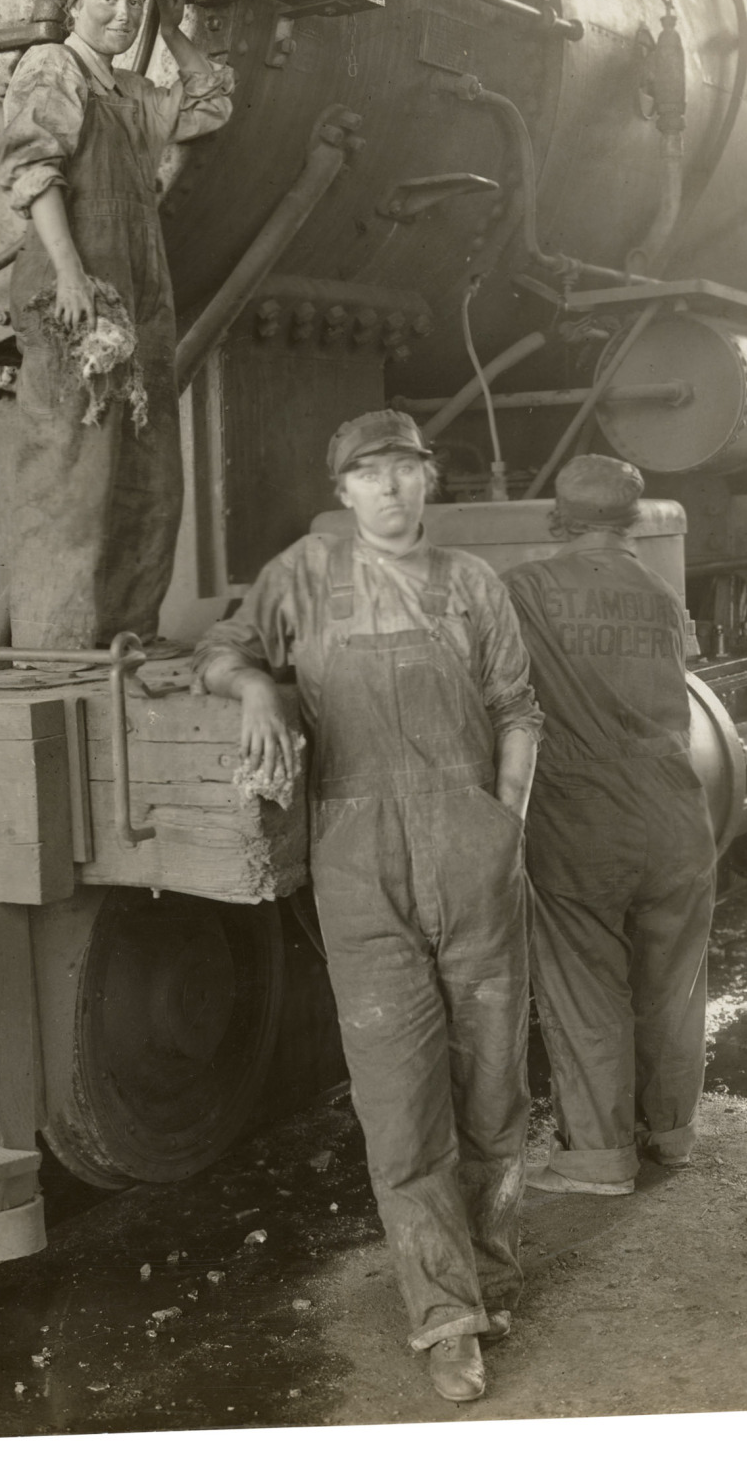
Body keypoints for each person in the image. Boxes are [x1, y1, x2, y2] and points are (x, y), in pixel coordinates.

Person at [194, 411, 542, 1404]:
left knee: (493, 1093)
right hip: (360, 865)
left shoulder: (474, 585)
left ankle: (493, 1277)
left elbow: (518, 709)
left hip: (474, 856)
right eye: (370, 475)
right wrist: (256, 689)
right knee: (399, 1106)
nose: (390, 489)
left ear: (428, 483)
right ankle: (445, 1315)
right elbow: (220, 649)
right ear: (343, 491)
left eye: (405, 471)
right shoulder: (302, 572)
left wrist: (502, 823)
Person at [0, 0, 234, 649]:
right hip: (76, 287)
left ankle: (127, 632)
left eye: (135, 2)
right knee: (71, 470)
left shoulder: (128, 93)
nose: (124, 14)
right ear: (73, 6)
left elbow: (211, 105)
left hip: (139, 285)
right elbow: (34, 175)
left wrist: (174, 26)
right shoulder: (51, 68)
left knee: (148, 471)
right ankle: (59, 646)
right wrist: (71, 276)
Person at [502, 455, 716, 1194]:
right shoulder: (657, 594)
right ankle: (673, 1134)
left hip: (580, 814)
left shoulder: (521, 590)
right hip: (675, 808)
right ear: (628, 519)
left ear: (558, 519)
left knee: (586, 984)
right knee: (672, 983)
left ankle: (596, 1159)